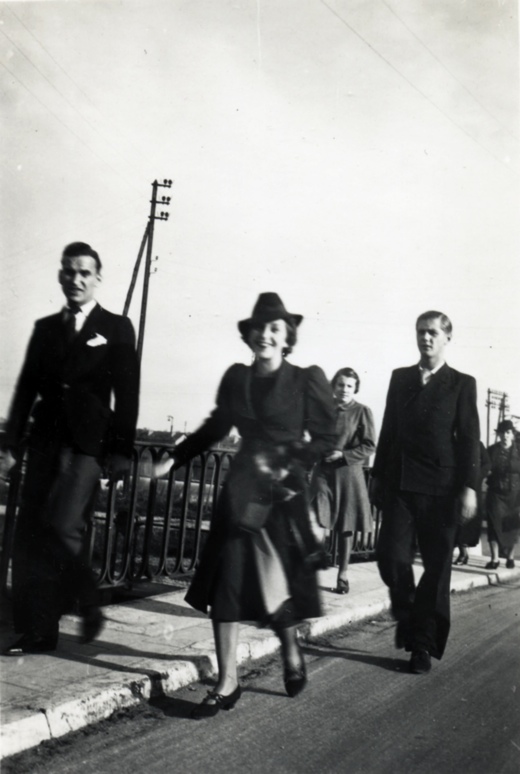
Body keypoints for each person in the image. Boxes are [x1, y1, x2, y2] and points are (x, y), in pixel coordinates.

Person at [155, 293, 336, 718]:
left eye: (275, 329)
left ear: (287, 336)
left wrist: (291, 461)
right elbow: (216, 425)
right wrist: (174, 458)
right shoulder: (237, 378)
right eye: (260, 328)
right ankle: (227, 681)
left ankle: (291, 650)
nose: (266, 335)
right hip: (240, 495)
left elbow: (327, 439)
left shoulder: (306, 378)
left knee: (277, 585)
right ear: (250, 335)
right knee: (228, 582)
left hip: (283, 495)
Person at [1, 242, 140, 655]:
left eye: (84, 272)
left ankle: (86, 596)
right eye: (68, 271)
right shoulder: (45, 328)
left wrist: (121, 450)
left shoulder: (115, 327)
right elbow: (25, 388)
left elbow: (127, 394)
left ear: (98, 278)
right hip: (43, 443)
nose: (75, 279)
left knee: (63, 526)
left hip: (87, 445)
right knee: (32, 531)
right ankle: (39, 630)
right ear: (61, 276)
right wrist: (10, 447)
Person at [370, 311, 480, 675]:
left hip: (442, 489)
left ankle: (422, 646)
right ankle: (413, 616)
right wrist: (378, 477)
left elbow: (468, 440)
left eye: (433, 333)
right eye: (421, 332)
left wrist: (468, 486)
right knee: (390, 557)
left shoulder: (461, 383)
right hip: (401, 483)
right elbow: (388, 430)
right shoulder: (400, 378)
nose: (426, 338)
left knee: (436, 570)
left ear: (447, 337)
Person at [317, 367, 376, 594]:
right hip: (323, 473)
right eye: (340, 385)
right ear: (334, 386)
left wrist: (344, 455)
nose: (344, 390)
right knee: (316, 517)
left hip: (348, 474)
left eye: (349, 386)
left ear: (355, 389)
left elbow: (370, 445)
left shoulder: (362, 411)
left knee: (345, 526)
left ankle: (342, 574)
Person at [484, 420, 520, 570]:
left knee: (511, 527)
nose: (505, 436)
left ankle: (510, 558)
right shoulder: (491, 450)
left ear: (512, 434)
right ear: (498, 434)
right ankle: (494, 559)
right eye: (502, 432)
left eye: (508, 432)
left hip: (514, 495)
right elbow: (484, 467)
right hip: (495, 493)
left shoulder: (519, 451)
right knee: (493, 525)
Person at [452, 442, 490, 565]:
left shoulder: (477, 444)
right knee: (453, 520)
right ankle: (460, 553)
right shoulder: (450, 441)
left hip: (472, 488)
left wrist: (477, 477)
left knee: (467, 520)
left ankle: (463, 553)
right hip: (453, 486)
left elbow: (487, 463)